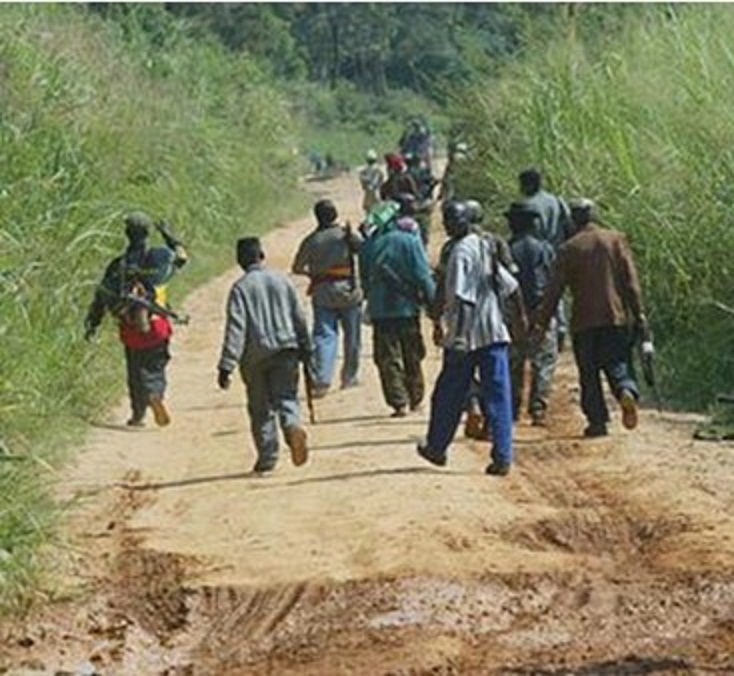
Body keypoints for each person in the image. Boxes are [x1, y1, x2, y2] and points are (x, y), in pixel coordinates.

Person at [418, 201, 527, 476]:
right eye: (446, 219)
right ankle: (502, 456)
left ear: (465, 221)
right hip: (494, 332)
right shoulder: (485, 245)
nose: (447, 224)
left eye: (452, 219)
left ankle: (437, 447)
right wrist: (519, 323)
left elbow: (463, 298)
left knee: (447, 394)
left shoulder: (459, 252)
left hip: (467, 335)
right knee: (499, 395)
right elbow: (511, 288)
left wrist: (460, 338)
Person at [531, 199, 648, 438]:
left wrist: (541, 324)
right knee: (617, 363)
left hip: (583, 322)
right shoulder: (616, 240)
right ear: (594, 215)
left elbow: (554, 291)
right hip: (615, 317)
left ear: (573, 220)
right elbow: (631, 283)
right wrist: (639, 315)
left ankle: (597, 421)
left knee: (589, 373)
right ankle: (625, 389)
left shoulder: (569, 248)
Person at [84, 212, 188, 427]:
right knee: (156, 366)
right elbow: (182, 256)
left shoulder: (118, 265)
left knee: (134, 370)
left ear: (127, 233)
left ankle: (138, 414)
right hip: (157, 325)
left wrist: (92, 324)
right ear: (148, 233)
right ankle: (155, 393)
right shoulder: (160, 257)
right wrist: (168, 235)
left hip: (130, 328)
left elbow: (101, 297)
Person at [217, 237, 311, 473]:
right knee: (287, 397)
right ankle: (292, 425)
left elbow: (236, 328)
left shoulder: (240, 288)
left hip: (255, 357)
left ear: (239, 260)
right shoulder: (282, 280)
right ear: (262, 254)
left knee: (260, 408)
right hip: (286, 349)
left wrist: (227, 364)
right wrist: (306, 345)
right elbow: (298, 316)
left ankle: (268, 458)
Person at [360, 194, 435, 417]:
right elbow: (423, 275)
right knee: (412, 354)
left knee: (387, 357)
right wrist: (432, 303)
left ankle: (398, 402)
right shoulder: (410, 241)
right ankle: (416, 398)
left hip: (380, 310)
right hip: (407, 308)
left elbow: (364, 279)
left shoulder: (368, 246)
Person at [292, 200, 363, 397]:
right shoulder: (345, 234)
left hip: (322, 292)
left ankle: (322, 379)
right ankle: (349, 377)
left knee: (324, 336)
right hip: (349, 290)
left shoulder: (312, 240)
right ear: (335, 214)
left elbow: (297, 267)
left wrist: (314, 275)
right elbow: (363, 250)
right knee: (353, 337)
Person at [506, 201, 558, 426]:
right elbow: (554, 283)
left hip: (513, 313)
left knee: (513, 363)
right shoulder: (545, 248)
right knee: (543, 362)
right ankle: (538, 409)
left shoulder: (506, 248)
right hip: (541, 311)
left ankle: (513, 409)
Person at [406, 152, 438, 245]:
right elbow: (433, 182)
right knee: (424, 229)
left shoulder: (406, 174)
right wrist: (430, 191)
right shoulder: (424, 171)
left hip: (412, 205)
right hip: (424, 203)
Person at [358, 149, 384, 215]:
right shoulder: (378, 169)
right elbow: (381, 180)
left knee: (369, 209)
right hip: (375, 191)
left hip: (370, 192)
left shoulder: (364, 170)